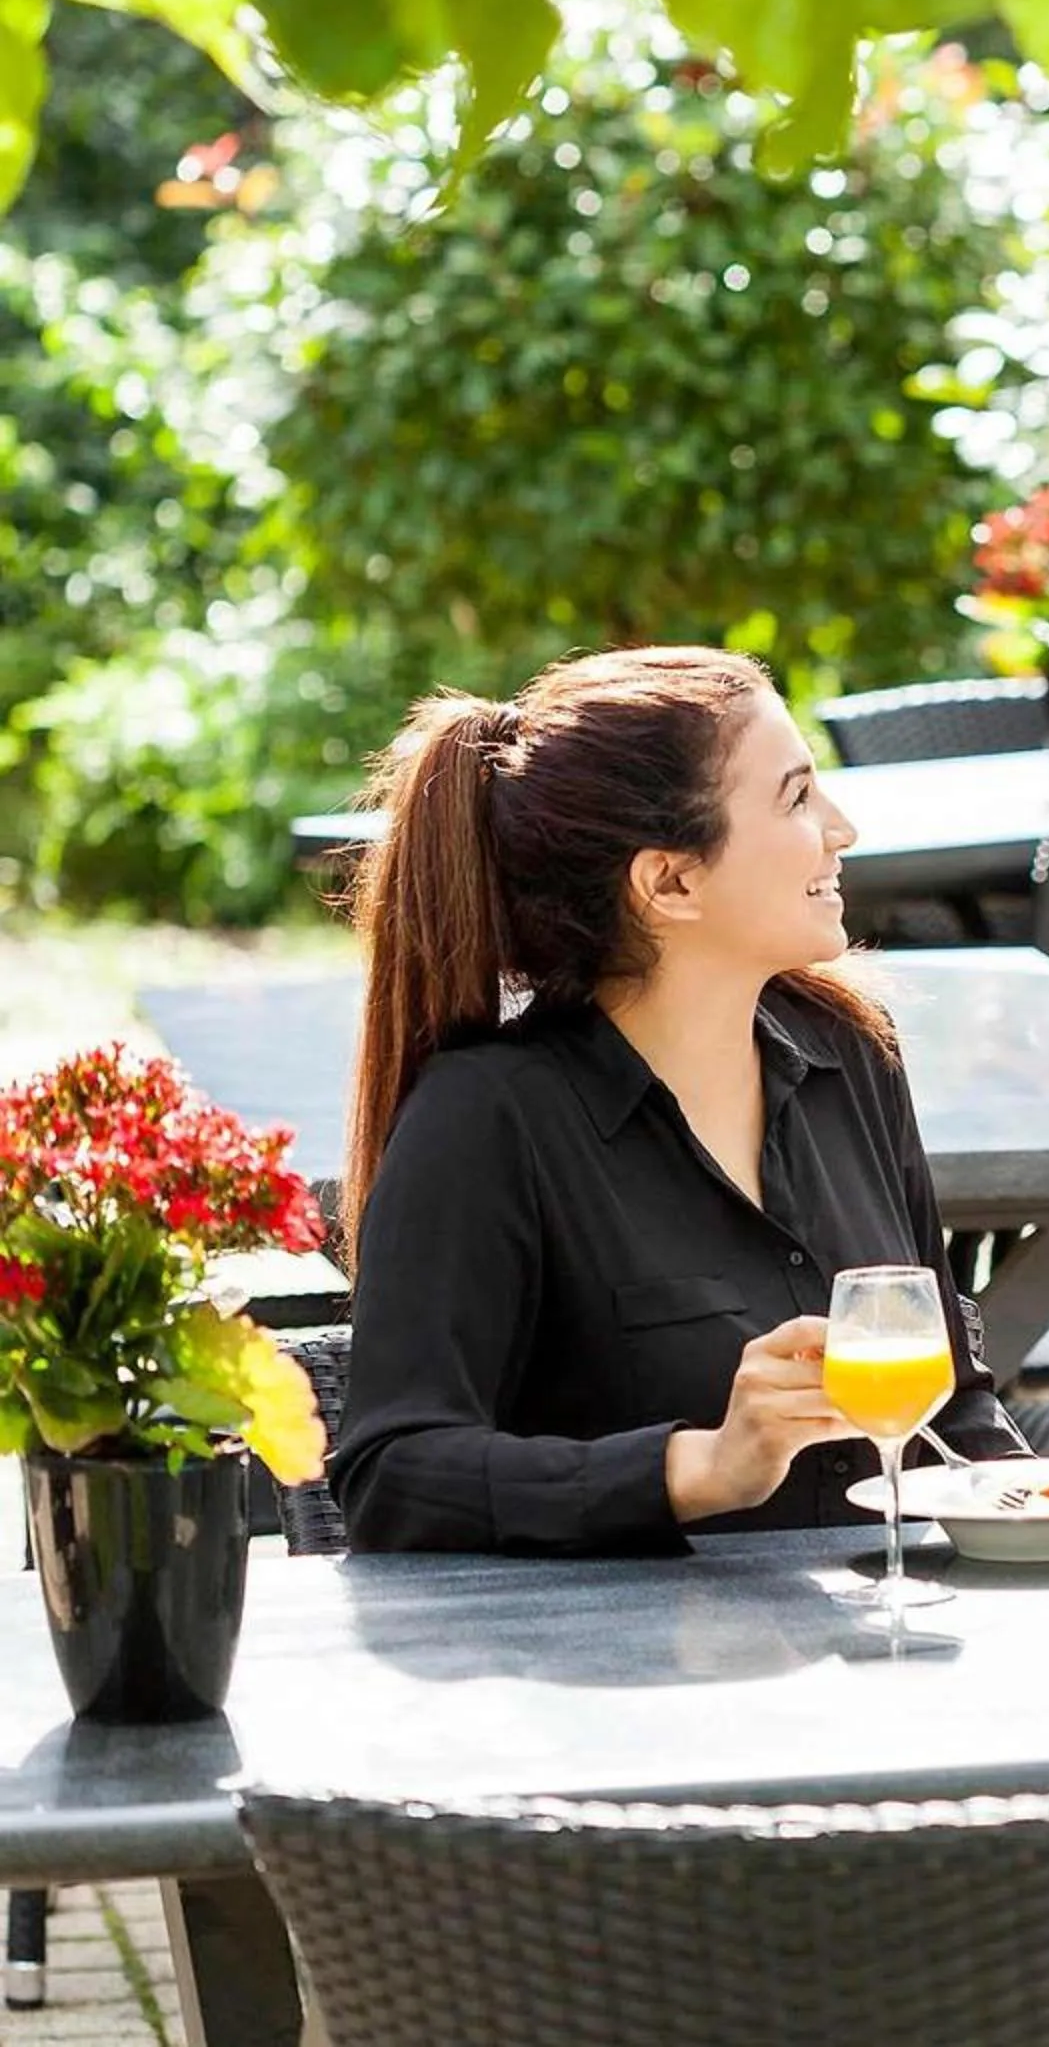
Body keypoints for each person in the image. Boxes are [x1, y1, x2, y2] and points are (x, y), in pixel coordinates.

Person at [329, 647, 1013, 1553]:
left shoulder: (849, 1055)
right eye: (797, 797)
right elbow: (393, 1478)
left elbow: (951, 1399)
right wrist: (699, 1468)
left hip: (877, 1658)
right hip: (623, 1680)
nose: (841, 828)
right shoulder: (487, 1121)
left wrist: (1028, 1513)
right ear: (670, 882)